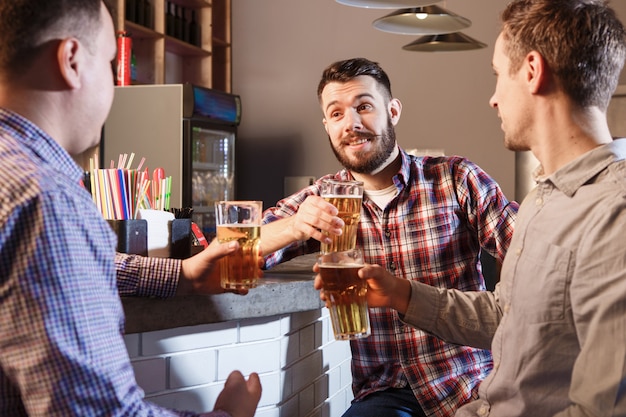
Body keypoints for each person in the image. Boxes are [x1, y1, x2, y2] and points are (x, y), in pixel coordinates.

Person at [318, 0, 626, 415]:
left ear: (532, 72)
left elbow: (604, 407)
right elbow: (510, 313)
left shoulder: (614, 214)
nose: (493, 99)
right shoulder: (544, 199)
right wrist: (402, 294)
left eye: (499, 76)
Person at [0, 1, 261, 416]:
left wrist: (182, 276)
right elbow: (96, 411)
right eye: (108, 63)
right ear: (70, 61)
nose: (113, 89)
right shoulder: (47, 199)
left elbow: (52, 264)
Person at [261, 57, 518, 416]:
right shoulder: (321, 198)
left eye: (363, 107)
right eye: (336, 114)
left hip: (470, 384)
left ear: (392, 111)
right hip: (384, 395)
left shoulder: (455, 178)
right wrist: (293, 226)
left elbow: (528, 249)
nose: (351, 123)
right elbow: (233, 249)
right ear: (327, 126)